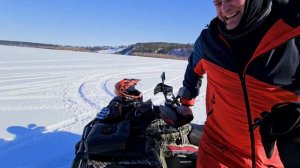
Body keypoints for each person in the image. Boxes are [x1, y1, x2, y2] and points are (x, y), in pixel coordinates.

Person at [172, 0, 300, 167]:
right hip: (216, 151)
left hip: (274, 156)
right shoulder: (210, 40)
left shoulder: (292, 29)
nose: (224, 9)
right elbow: (193, 69)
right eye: (217, 2)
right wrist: (186, 103)